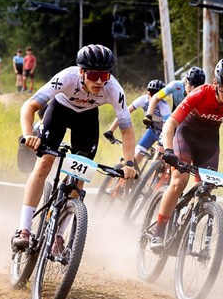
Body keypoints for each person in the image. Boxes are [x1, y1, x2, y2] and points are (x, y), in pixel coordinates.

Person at [11, 44, 137, 249]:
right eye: (94, 75)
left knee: (80, 176)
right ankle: (23, 228)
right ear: (82, 72)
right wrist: (27, 135)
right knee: (44, 164)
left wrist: (129, 162)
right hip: (59, 111)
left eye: (104, 76)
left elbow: (127, 129)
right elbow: (30, 105)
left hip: (87, 119)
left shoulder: (114, 89)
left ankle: (59, 235)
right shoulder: (67, 77)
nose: (99, 81)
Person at [149, 58, 223, 249]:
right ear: (215, 83)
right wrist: (168, 150)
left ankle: (186, 231)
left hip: (209, 142)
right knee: (179, 181)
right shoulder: (200, 93)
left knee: (206, 187)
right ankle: (157, 233)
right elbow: (171, 124)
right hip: (185, 135)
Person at [103, 79, 171, 166]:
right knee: (136, 157)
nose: (153, 97)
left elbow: (167, 127)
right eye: (151, 93)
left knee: (157, 159)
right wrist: (110, 130)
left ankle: (154, 176)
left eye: (156, 94)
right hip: (152, 131)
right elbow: (124, 113)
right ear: (147, 92)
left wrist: (162, 144)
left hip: (164, 133)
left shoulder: (164, 107)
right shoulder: (143, 99)